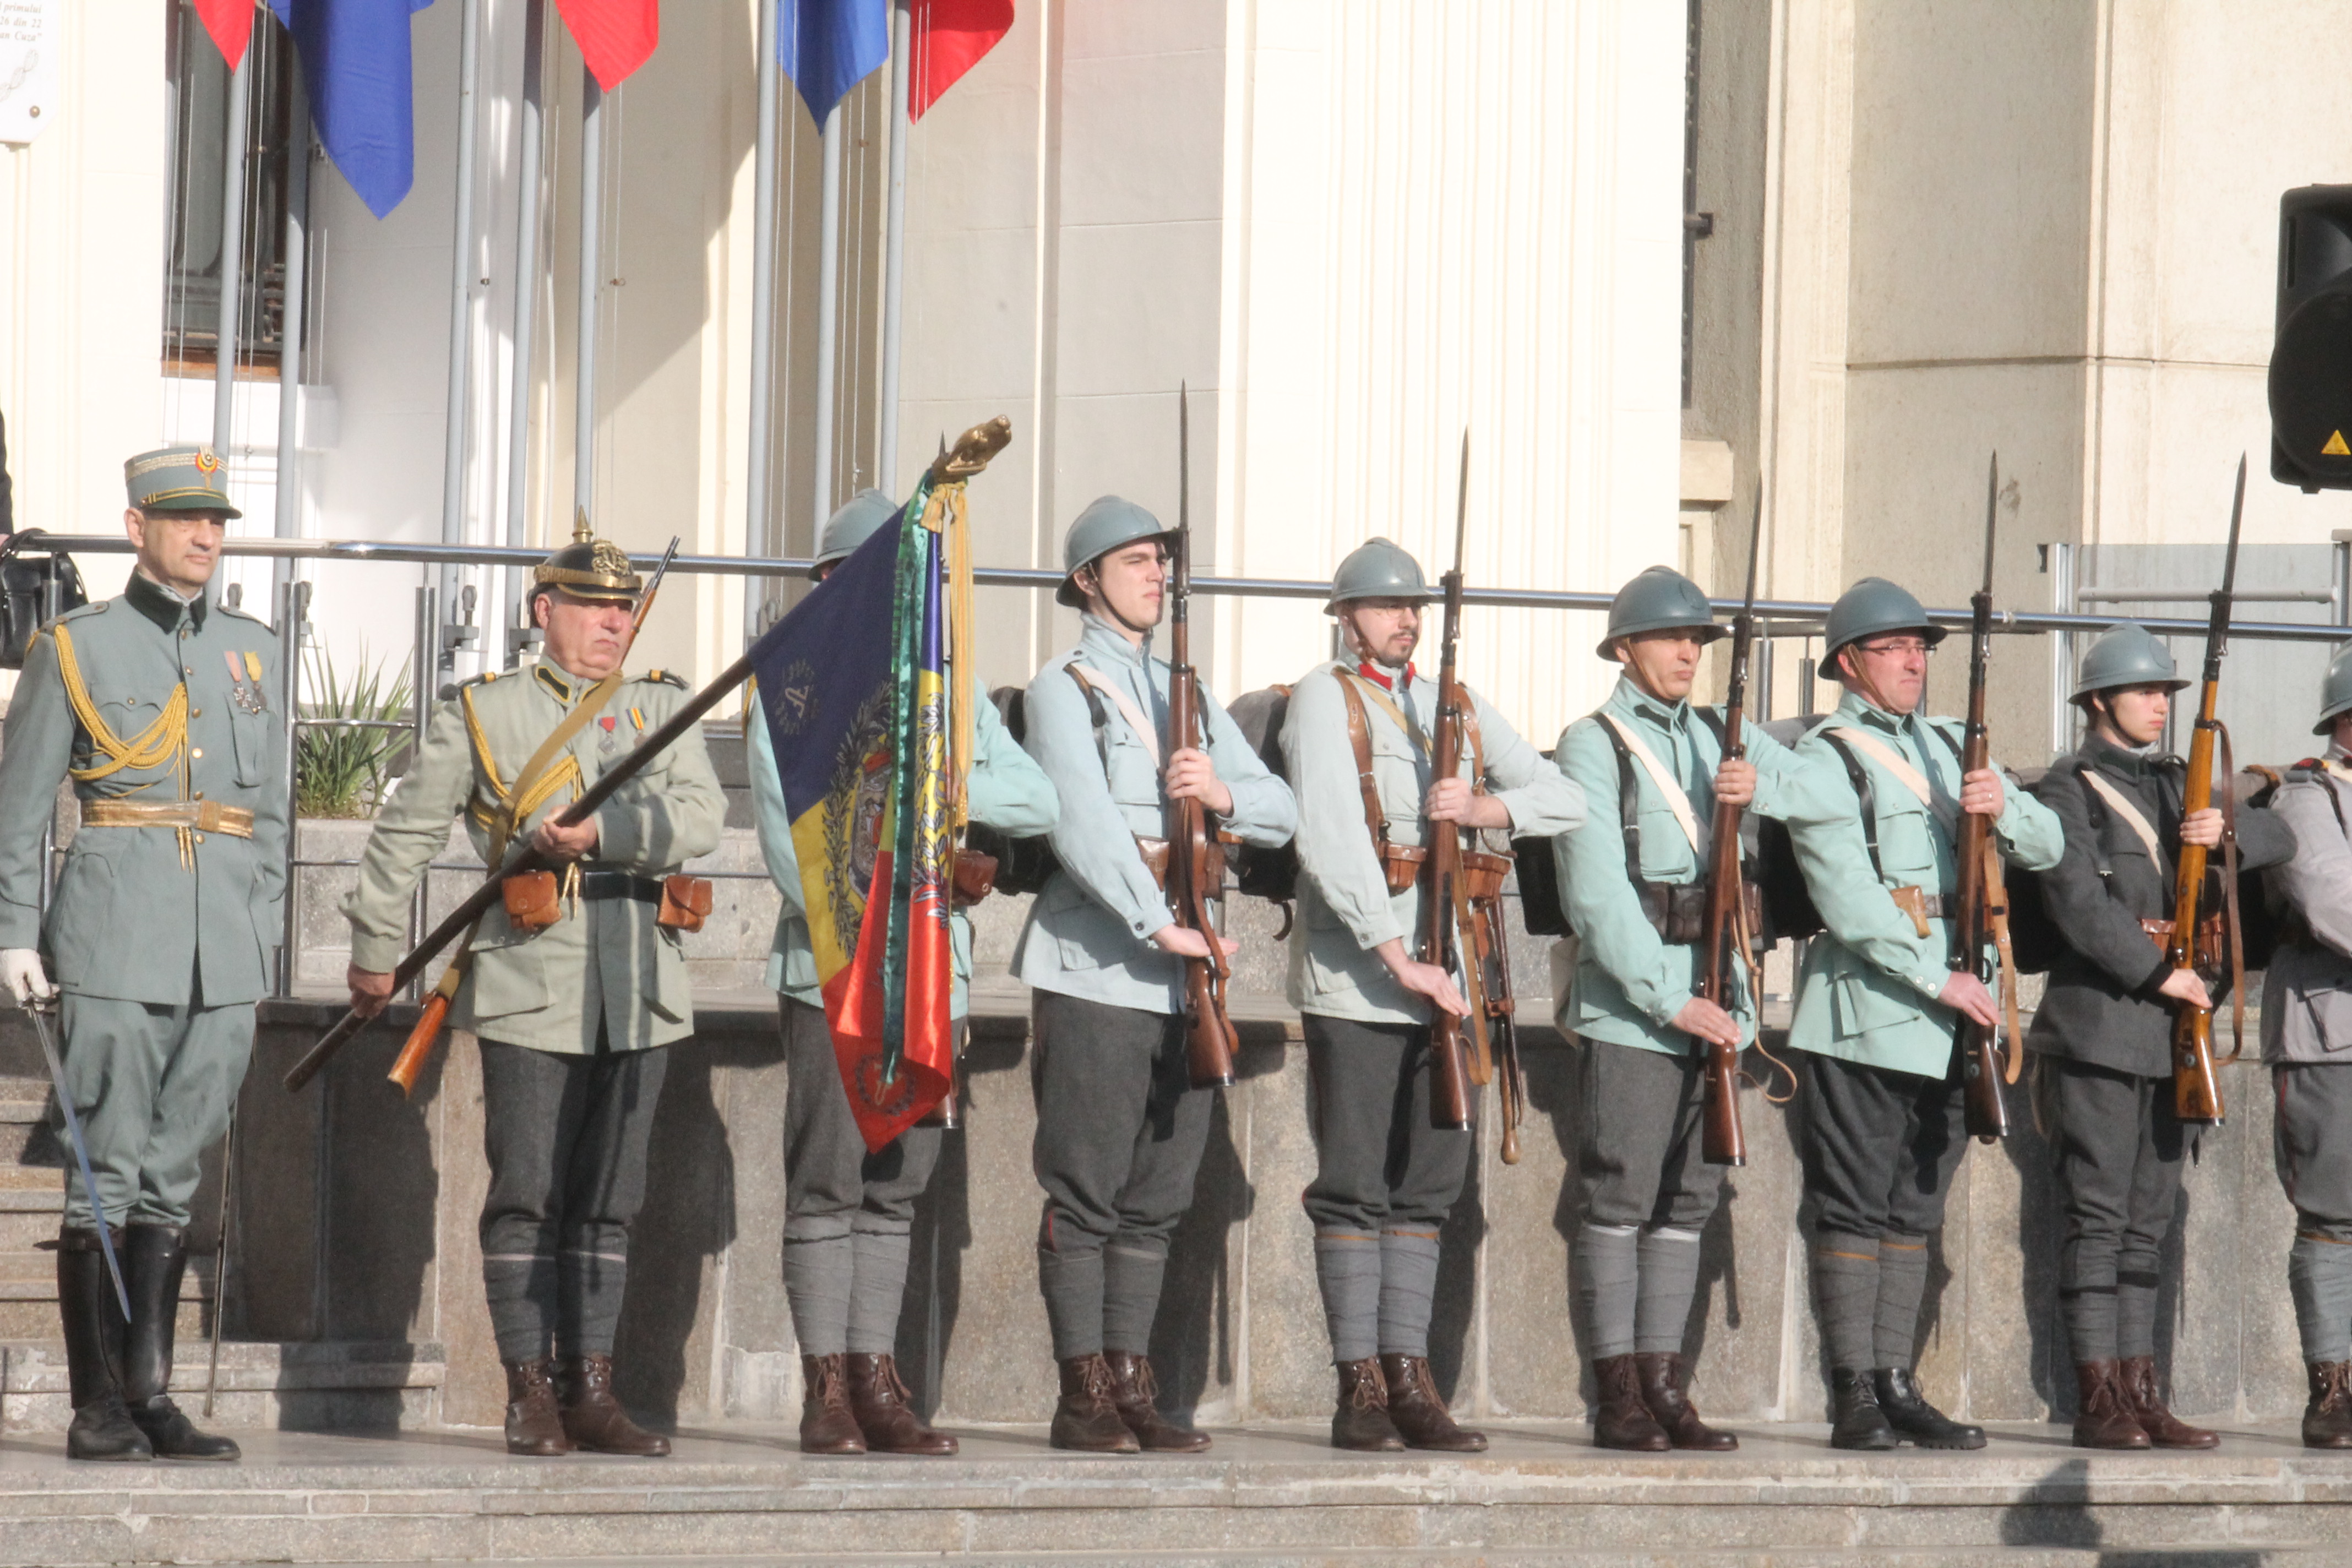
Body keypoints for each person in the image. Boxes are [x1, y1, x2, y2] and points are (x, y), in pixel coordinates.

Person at [342, 518, 725, 1458]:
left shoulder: (661, 705)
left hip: (640, 978)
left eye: (624, 609)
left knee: (611, 1196)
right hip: (531, 973)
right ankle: (529, 1392)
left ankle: (592, 1388)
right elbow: (407, 835)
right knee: (528, 1191)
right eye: (593, 607)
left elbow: (702, 817)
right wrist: (375, 946)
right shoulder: (485, 710)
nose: (612, 624)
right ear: (543, 610)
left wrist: (603, 835)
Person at [747, 489, 1058, 1456]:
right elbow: (786, 854)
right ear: (835, 587)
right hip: (838, 977)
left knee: (898, 1187)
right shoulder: (791, 695)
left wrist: (941, 761)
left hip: (932, 983)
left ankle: (876, 1377)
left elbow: (1035, 798)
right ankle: (826, 1386)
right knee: (831, 1182)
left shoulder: (947, 696)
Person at [0, 444, 284, 1462]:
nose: (208, 536)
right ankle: (95, 1407)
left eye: (218, 521)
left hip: (224, 951)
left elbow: (272, 817)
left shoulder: (253, 648)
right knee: (107, 1173)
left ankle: (151, 1393)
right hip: (119, 934)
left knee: (175, 1174)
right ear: (137, 527)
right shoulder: (76, 648)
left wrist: (266, 936)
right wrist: (13, 933)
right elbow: (21, 804)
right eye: (186, 519)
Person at [1284, 537, 1583, 1453]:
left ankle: (1411, 1376)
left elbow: (1561, 796)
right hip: (1362, 984)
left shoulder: (1447, 703)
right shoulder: (1323, 699)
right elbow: (1333, 843)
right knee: (1354, 1184)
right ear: (1347, 617)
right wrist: (1396, 956)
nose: (1404, 618)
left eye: (1412, 605)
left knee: (1428, 1187)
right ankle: (1359, 1384)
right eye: (1385, 606)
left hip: (1451, 979)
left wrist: (1486, 809)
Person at [1014, 496, 1297, 1453]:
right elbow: (1081, 824)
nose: (1155, 575)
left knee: (1159, 1194)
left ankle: (1134, 1382)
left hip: (1188, 977)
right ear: (1087, 581)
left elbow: (1276, 806)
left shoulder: (1188, 689)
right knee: (1087, 1188)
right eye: (1133, 561)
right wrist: (1155, 922)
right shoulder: (1067, 686)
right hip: (1101, 967)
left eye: (1160, 561)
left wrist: (1217, 790)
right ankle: (1083, 1389)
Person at [1553, 566, 1842, 1452]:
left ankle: (1664, 1382)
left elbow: (1826, 798)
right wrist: (1671, 1000)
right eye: (1672, 638)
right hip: (1640, 1005)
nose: (1688, 652)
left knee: (1690, 1199)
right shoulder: (1593, 743)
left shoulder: (1729, 734)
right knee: (1622, 1193)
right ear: (1625, 648)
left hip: (1723, 993)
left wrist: (1764, 787)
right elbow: (1598, 898)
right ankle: (1617, 1392)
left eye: (1699, 640)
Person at [1783, 576, 2062, 1451]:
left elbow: (2048, 845)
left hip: (1959, 1011)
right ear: (1848, 663)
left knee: (1915, 1208)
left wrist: (2000, 802)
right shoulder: (1828, 756)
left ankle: (1897, 1380)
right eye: (1895, 647)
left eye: (1922, 647)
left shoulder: (1952, 746)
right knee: (1855, 1205)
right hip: (1870, 1008)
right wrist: (1934, 980)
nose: (1914, 660)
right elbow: (1850, 896)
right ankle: (1853, 1389)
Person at [2027, 622, 2290, 1449]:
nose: (2157, 706)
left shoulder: (2180, 782)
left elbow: (2282, 834)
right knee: (2098, 1215)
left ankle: (2144, 1388)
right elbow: (2075, 901)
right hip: (2102, 1022)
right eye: (2144, 692)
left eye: (2166, 694)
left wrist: (2226, 834)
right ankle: (2097, 1396)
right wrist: (2155, 973)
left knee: (2150, 1218)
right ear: (2100, 698)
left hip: (2171, 1029)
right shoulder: (2067, 785)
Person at [2259, 641, 2352, 1449]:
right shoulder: (2309, 797)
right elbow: (2333, 901)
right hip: (2332, 1039)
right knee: (2333, 1220)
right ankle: (2332, 1390)